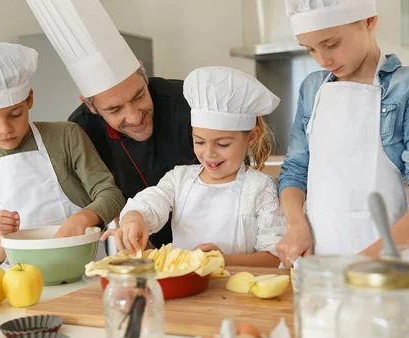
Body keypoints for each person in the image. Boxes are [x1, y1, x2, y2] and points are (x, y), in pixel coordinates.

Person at [276, 0, 409, 266]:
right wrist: (295, 228)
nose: (323, 60)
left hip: (382, 262)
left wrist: (360, 265)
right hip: (314, 260)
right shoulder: (312, 88)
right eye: (310, 49)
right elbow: (295, 169)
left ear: (369, 21)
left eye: (332, 44)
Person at [0, 42, 124, 266]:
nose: (5, 129)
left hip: (84, 272)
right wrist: (0, 238)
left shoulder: (66, 136)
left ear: (29, 99)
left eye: (15, 114)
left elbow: (112, 195)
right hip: (18, 284)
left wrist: (83, 217)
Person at [26, 0, 196, 249]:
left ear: (143, 73)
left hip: (211, 240)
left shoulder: (190, 101)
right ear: (91, 106)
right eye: (114, 110)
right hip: (140, 244)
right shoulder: (80, 130)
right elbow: (102, 195)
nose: (135, 117)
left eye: (139, 96)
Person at [104, 67, 285, 268]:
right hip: (188, 289)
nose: (209, 154)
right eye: (199, 142)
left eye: (222, 144)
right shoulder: (179, 179)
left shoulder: (260, 187)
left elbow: (274, 256)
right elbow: (150, 202)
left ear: (251, 137)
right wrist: (133, 219)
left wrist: (224, 261)